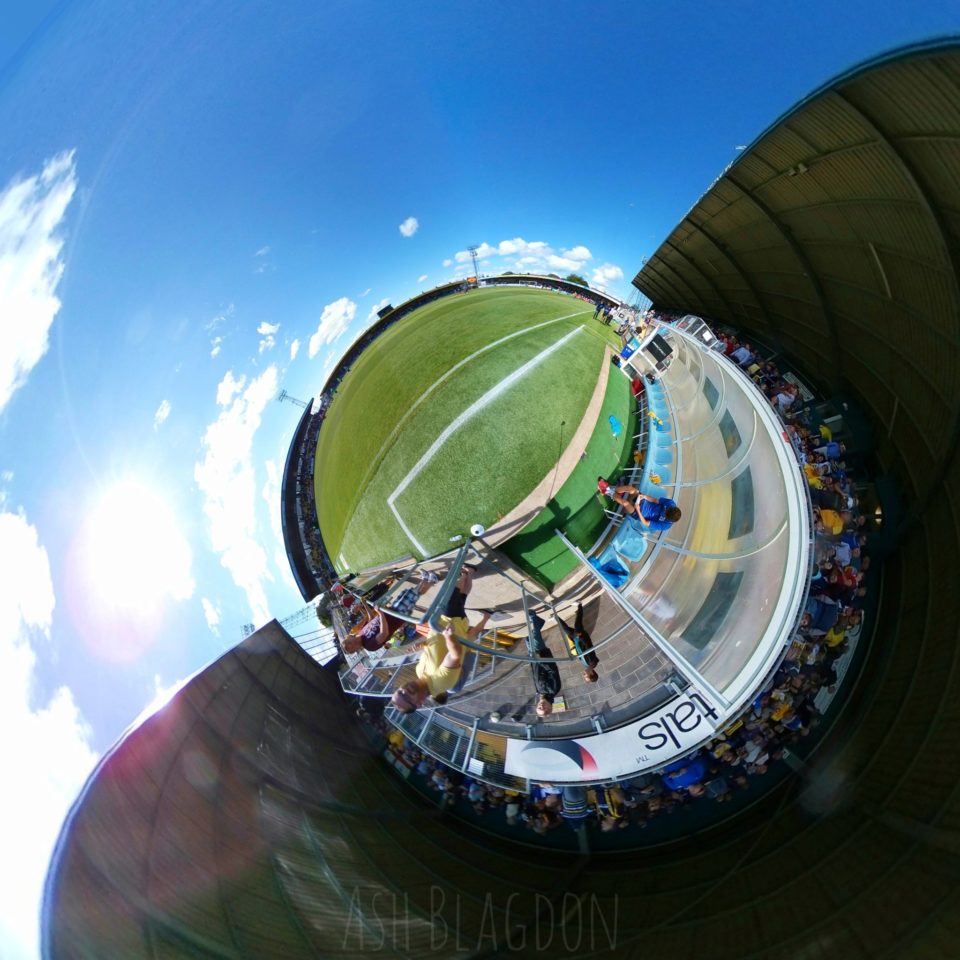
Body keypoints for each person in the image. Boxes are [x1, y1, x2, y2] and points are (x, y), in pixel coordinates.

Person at [390, 566, 491, 713]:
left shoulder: (419, 672)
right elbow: (454, 655)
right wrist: (449, 637)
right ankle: (464, 572)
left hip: (443, 623)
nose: (405, 692)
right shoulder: (441, 683)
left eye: (400, 692)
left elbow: (433, 650)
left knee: (461, 596)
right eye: (407, 699)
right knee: (449, 592)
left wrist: (421, 646)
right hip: (452, 624)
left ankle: (468, 573)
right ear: (419, 704)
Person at [555, 602, 600, 682]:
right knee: (577, 624)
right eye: (586, 676)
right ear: (592, 673)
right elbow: (588, 646)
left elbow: (580, 654)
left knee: (566, 629)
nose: (584, 675)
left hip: (576, 640)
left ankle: (555, 617)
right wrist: (581, 637)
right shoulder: (592, 662)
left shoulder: (586, 665)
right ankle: (579, 605)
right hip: (581, 637)